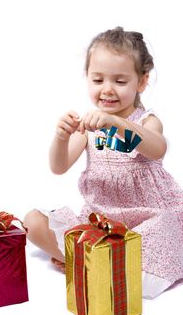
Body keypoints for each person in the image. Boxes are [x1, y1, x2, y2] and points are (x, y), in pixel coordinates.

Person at [24, 26, 183, 299]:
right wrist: (61, 138)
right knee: (33, 223)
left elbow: (157, 148)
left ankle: (93, 264)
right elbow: (58, 166)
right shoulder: (88, 127)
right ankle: (95, 262)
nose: (107, 90)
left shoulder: (146, 121)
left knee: (162, 236)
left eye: (120, 82)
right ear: (87, 78)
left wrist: (115, 123)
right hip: (100, 221)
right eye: (98, 80)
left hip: (146, 219)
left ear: (141, 82)